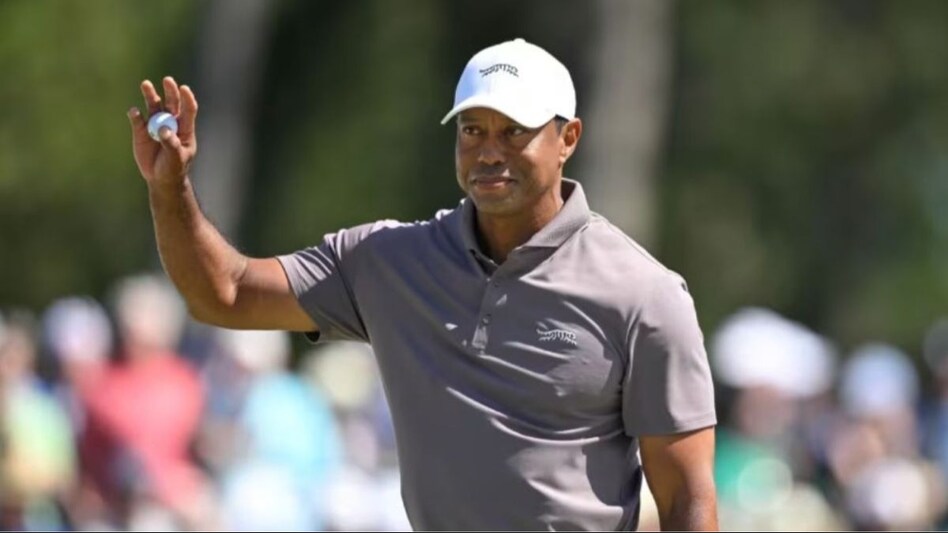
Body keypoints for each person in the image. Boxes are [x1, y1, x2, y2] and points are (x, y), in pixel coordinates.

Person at [128, 38, 718, 531]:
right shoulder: (387, 260)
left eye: (514, 132)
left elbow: (686, 500)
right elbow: (224, 293)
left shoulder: (646, 295)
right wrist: (168, 189)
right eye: (472, 130)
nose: (489, 152)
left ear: (568, 139)